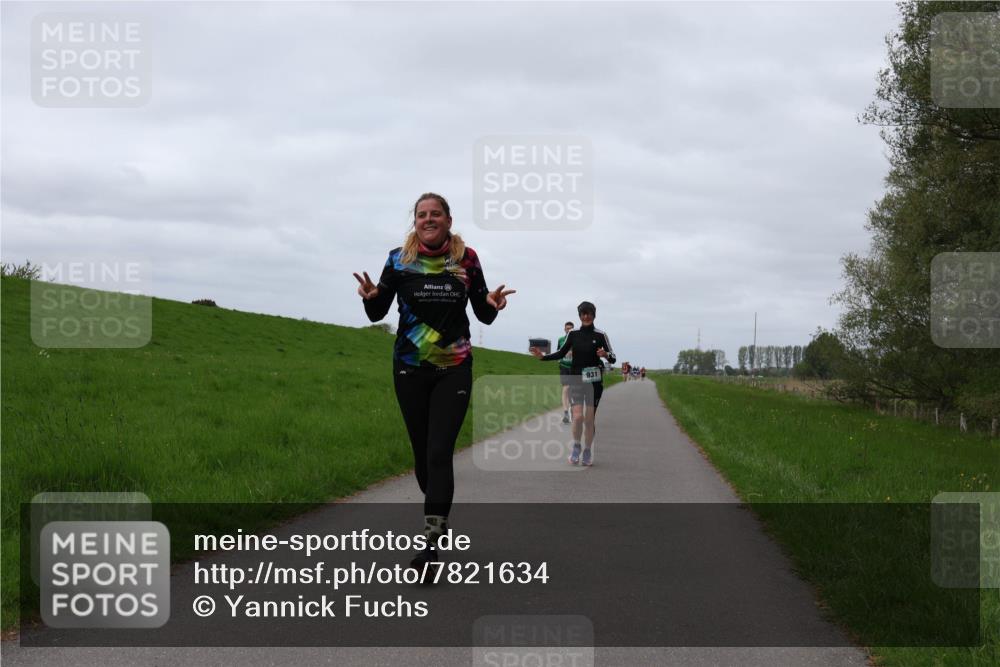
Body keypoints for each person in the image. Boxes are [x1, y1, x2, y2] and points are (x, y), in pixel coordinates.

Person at [354, 192, 515, 569]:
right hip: (409, 367)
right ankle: (438, 504)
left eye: (436, 214)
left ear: (448, 219)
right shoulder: (399, 259)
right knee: (424, 459)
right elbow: (379, 311)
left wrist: (491, 304)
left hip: (454, 367)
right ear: (415, 221)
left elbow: (481, 313)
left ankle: (430, 544)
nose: (429, 219)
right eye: (422, 215)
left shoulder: (466, 259)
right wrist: (370, 297)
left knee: (440, 452)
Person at [530, 301, 615, 467]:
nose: (586, 316)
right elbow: (561, 353)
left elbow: (613, 357)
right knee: (577, 417)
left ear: (594, 315)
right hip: (576, 378)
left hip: (594, 381)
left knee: (589, 420)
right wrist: (543, 357)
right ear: (580, 316)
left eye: (589, 313)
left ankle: (588, 450)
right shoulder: (573, 334)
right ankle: (576, 446)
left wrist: (605, 354)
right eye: (583, 313)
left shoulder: (601, 335)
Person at [557, 321, 574, 424]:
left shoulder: (577, 340)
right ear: (564, 329)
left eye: (571, 329)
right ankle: (566, 413)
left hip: (574, 368)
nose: (569, 330)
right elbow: (558, 352)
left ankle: (573, 410)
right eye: (567, 328)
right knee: (566, 388)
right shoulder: (561, 340)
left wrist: (573, 352)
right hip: (564, 366)